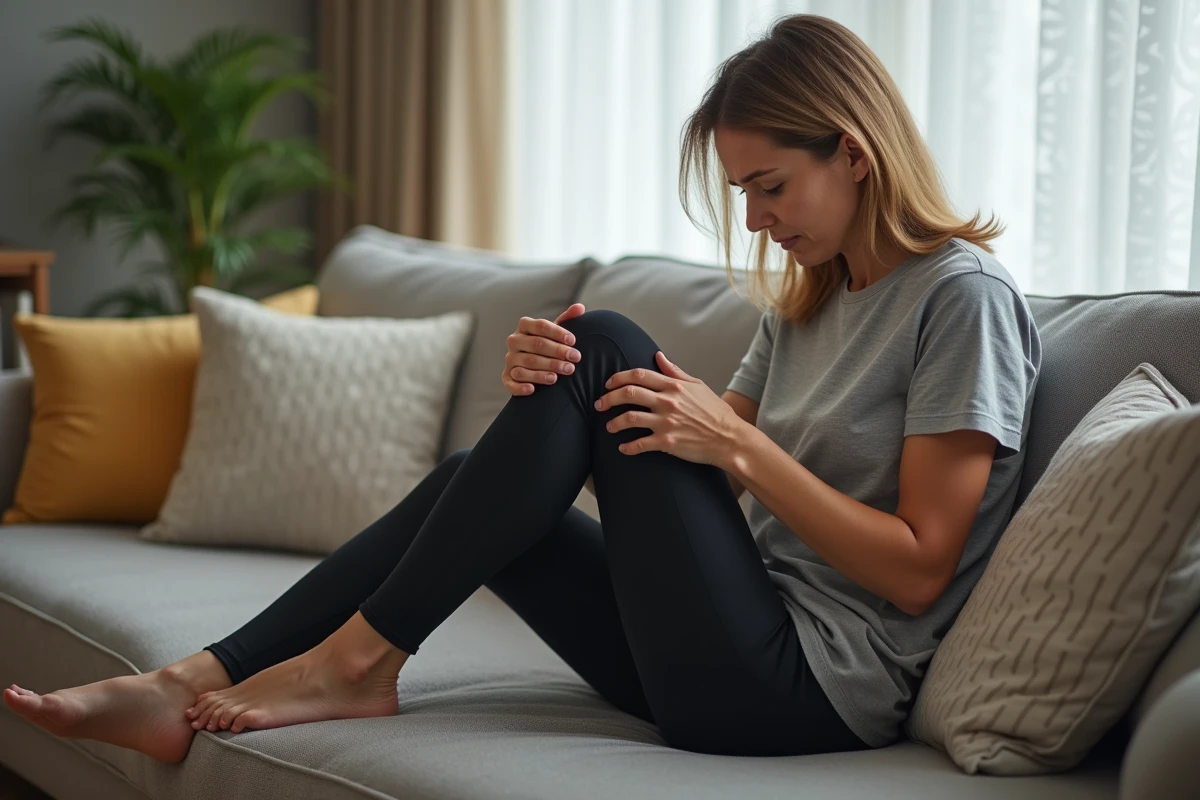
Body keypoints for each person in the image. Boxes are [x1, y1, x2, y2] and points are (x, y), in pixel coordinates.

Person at [4, 13, 1040, 762]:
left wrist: (733, 445)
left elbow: (917, 569)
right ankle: (184, 680)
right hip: (714, 646)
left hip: (805, 692)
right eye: (743, 194)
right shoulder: (814, 297)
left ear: (853, 153)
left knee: (608, 342)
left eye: (771, 186)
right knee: (495, 451)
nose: (758, 217)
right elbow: (697, 490)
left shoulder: (961, 298)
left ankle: (357, 662)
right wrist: (550, 404)